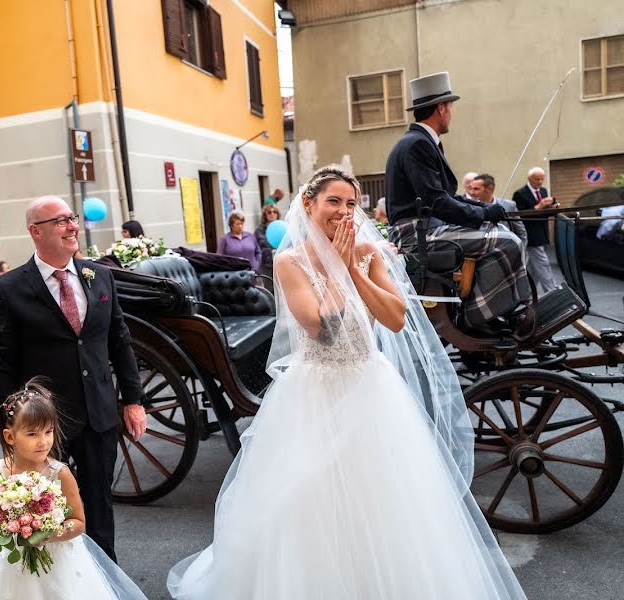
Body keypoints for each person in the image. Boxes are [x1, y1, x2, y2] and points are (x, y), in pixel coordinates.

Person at [167, 166, 526, 599]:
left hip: (372, 387)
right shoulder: (288, 261)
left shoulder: (368, 253)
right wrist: (337, 267)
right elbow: (324, 329)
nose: (342, 211)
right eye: (332, 202)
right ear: (309, 206)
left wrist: (354, 269)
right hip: (316, 392)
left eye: (350, 203)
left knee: (382, 503)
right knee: (316, 503)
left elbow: (394, 319)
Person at [0, 196, 147, 562]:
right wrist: (8, 426)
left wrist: (134, 401)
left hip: (98, 415)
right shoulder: (9, 289)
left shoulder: (100, 276)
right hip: (42, 423)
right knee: (44, 506)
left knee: (99, 503)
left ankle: (105, 576)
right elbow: (2, 362)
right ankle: (57, 579)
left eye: (71, 218)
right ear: (36, 231)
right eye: (60, 221)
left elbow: (119, 341)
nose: (72, 226)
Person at [385, 71, 530, 330]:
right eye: (450, 108)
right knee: (508, 240)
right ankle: (478, 315)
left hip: (425, 229)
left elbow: (448, 198)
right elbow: (437, 202)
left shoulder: (419, 142)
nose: (451, 114)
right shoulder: (418, 144)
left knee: (502, 231)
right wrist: (485, 214)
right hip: (417, 236)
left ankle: (491, 307)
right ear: (441, 108)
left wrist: (488, 209)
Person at [0, 381, 147, 599]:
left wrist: (46, 534)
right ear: (10, 437)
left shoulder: (60, 473)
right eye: (32, 434)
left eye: (48, 432)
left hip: (58, 563)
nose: (43, 441)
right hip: (12, 565)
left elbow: (78, 522)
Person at [512, 167, 559, 294]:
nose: (539, 182)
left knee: (533, 269)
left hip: (541, 232)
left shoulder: (543, 191)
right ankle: (552, 292)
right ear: (529, 179)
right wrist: (539, 206)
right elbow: (519, 216)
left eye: (542, 179)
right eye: (537, 179)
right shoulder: (520, 194)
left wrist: (552, 208)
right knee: (543, 265)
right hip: (529, 234)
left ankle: (526, 293)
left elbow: (544, 213)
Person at [470, 173, 528, 247]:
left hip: (505, 251)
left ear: (489, 189)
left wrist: (520, 252)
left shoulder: (508, 205)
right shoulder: (470, 207)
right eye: (471, 188)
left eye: (476, 189)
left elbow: (521, 232)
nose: (471, 193)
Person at [254, 204, 281, 290]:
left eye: (274, 212)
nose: (272, 214)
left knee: (281, 289)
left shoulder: (282, 227)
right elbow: (261, 244)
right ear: (265, 215)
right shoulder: (260, 230)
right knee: (269, 288)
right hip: (266, 264)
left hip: (280, 262)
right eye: (269, 212)